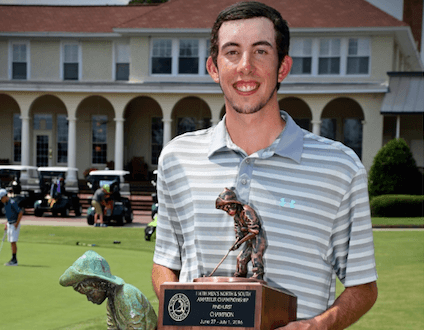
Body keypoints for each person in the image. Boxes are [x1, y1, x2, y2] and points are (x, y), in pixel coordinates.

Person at [152, 1, 378, 329]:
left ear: (282, 68)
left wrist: (317, 326)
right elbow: (164, 265)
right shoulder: (176, 159)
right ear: (214, 68)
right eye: (232, 52)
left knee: (250, 261)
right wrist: (185, 313)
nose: (246, 66)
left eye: (260, 52)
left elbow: (363, 286)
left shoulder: (341, 168)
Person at [59, 250, 157, 330]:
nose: (89, 298)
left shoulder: (125, 294)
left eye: (90, 293)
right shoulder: (111, 302)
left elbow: (137, 327)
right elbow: (112, 327)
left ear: (99, 285)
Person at [0, 188, 23, 266]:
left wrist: (17, 224)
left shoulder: (12, 202)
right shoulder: (6, 204)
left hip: (14, 224)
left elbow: (20, 213)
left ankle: (14, 260)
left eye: (1, 199)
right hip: (9, 224)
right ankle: (13, 258)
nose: (1, 201)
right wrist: (6, 224)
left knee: (13, 242)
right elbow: (9, 214)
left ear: (4, 197)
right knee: (11, 241)